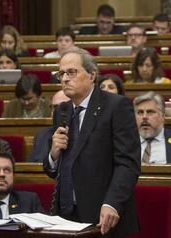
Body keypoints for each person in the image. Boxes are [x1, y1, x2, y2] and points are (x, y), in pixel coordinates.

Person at [43, 48, 140, 237]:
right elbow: (52, 169)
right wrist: (53, 153)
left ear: (92, 75)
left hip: (105, 217)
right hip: (67, 215)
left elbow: (128, 163)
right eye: (61, 74)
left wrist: (112, 203)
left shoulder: (116, 106)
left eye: (71, 72)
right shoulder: (61, 111)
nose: (64, 79)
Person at [28, 90, 70, 163]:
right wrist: (53, 157)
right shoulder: (41, 136)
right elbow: (33, 167)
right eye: (54, 107)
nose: (58, 111)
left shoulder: (83, 132)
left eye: (63, 107)